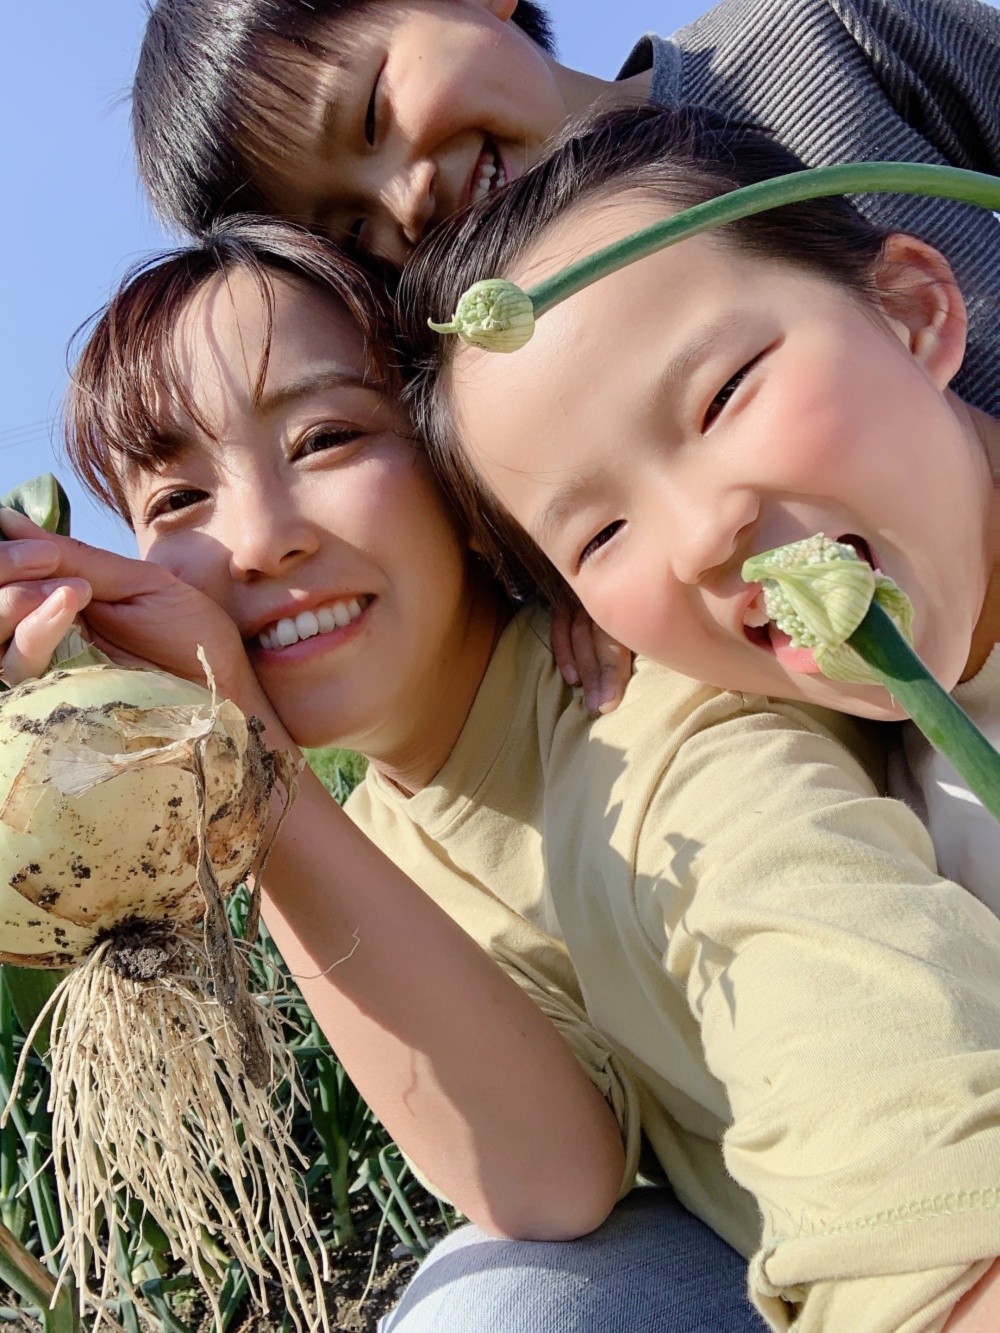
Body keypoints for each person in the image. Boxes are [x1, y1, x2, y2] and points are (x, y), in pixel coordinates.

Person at [7, 217, 1000, 1331]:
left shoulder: (647, 716)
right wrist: (238, 754)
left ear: (460, 463)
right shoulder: (372, 819)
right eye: (176, 501)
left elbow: (862, 1033)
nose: (257, 540)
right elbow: (547, 1180)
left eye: (326, 437)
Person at [397, 100, 1000, 924]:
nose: (700, 538)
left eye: (722, 396)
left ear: (910, 309)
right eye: (601, 535)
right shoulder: (918, 860)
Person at [130, 0, 1000, 414]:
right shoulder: (509, 378)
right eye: (352, 230)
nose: (406, 198)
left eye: (370, 117)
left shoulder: (814, 36)